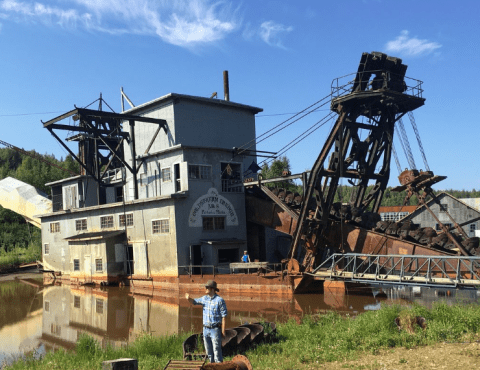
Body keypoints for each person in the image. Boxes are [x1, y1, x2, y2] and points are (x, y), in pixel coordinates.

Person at [185, 280, 227, 363]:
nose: (205, 288)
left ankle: (219, 367)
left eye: (207, 287)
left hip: (215, 329)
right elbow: (194, 302)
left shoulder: (220, 300)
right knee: (209, 352)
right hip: (206, 329)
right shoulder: (204, 299)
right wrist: (188, 298)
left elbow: (224, 316)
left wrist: (223, 331)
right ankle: (211, 367)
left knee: (217, 352)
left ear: (212, 289)